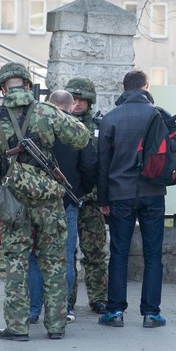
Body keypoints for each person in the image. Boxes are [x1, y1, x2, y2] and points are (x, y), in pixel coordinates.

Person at [0, 63, 88, 341]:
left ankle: (17, 327)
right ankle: (57, 325)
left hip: (13, 203)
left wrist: (6, 164)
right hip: (48, 201)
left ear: (1, 88)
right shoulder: (47, 112)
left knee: (16, 263)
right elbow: (81, 137)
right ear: (27, 84)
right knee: (55, 261)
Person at [96, 70, 168, 328]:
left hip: (119, 194)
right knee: (153, 253)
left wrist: (102, 199)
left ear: (124, 89)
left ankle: (115, 312)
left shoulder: (111, 118)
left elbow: (102, 164)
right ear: (146, 86)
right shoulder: (158, 115)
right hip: (153, 193)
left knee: (118, 252)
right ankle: (151, 313)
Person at [27, 90, 95, 325]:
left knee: (35, 257)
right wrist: (80, 191)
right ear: (71, 105)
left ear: (48, 104)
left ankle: (33, 310)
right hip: (67, 202)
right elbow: (89, 166)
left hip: (36, 201)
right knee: (64, 258)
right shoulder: (77, 129)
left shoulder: (34, 126)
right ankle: (64, 308)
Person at [64, 77, 109, 315]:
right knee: (67, 253)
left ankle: (99, 298)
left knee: (95, 253)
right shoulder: (59, 123)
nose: (78, 103)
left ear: (90, 102)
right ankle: (67, 299)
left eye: (82, 99)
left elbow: (105, 164)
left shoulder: (101, 126)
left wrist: (104, 198)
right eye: (74, 98)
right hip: (67, 198)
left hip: (91, 201)